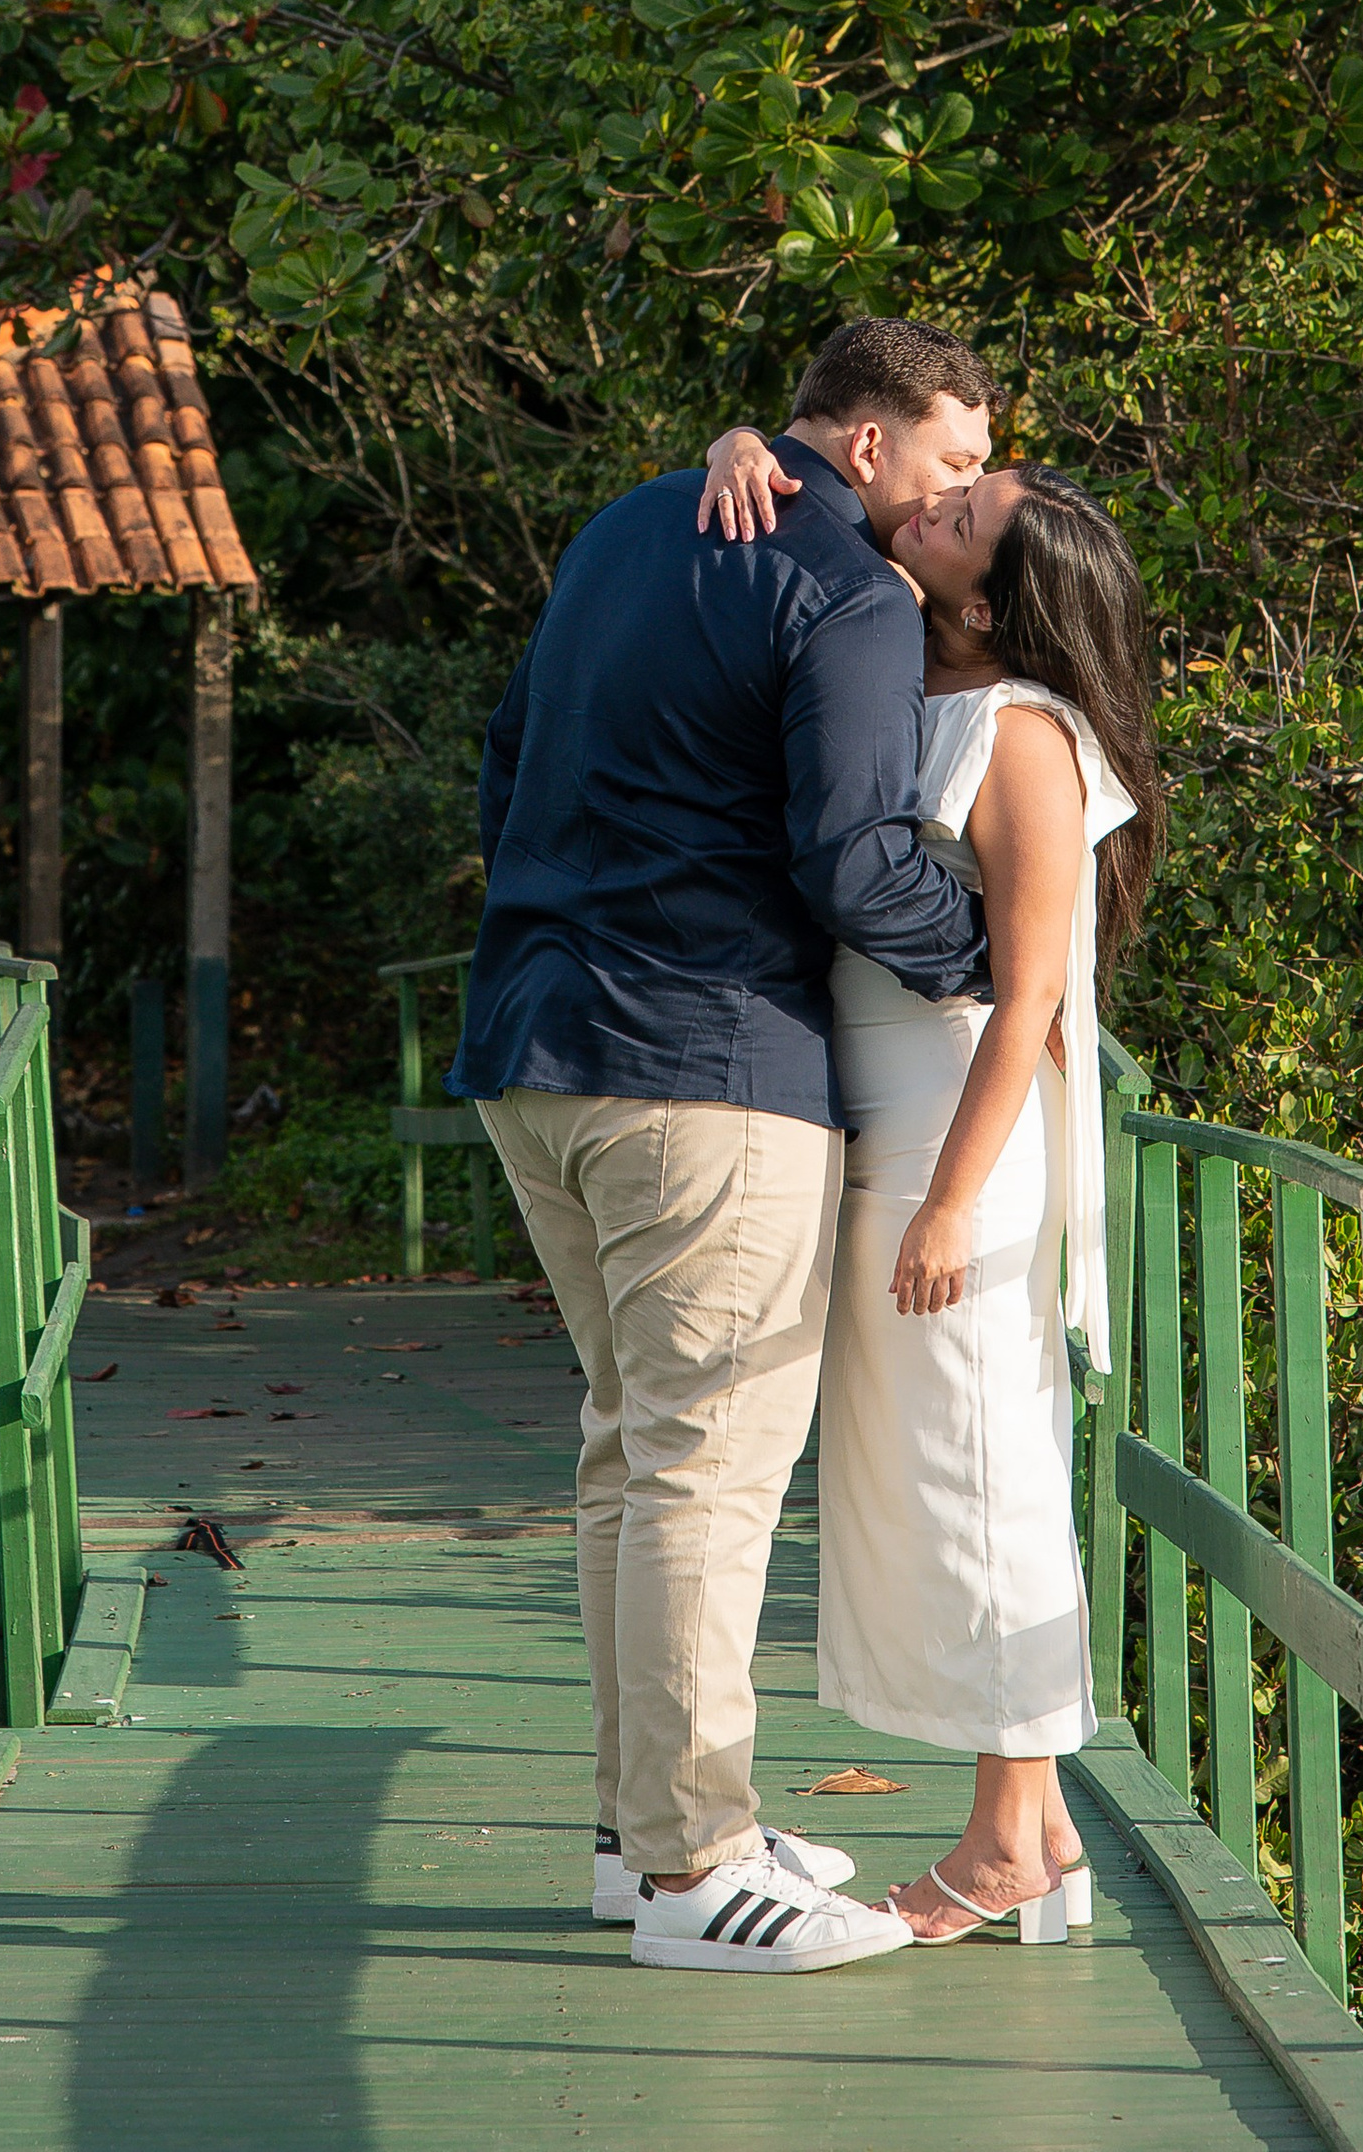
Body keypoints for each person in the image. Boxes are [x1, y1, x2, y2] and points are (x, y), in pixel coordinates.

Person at [450, 318, 1000, 1975]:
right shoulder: (846, 595)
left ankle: (646, 1838)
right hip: (707, 1065)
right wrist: (1000, 952)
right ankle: (695, 1876)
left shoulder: (621, 526)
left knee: (634, 1448)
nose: (964, 495)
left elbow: (503, 757)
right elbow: (851, 861)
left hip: (535, 1041)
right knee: (702, 1465)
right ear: (867, 449)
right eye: (957, 464)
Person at [698, 429, 1162, 1945]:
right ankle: (1039, 1835)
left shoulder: (1023, 732)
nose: (930, 503)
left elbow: (1030, 995)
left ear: (986, 598)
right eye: (952, 485)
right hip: (887, 1129)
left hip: (958, 1142)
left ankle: (1003, 1847)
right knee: (945, 1475)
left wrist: (954, 1202)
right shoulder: (916, 678)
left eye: (963, 515)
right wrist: (738, 446)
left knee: (984, 1480)